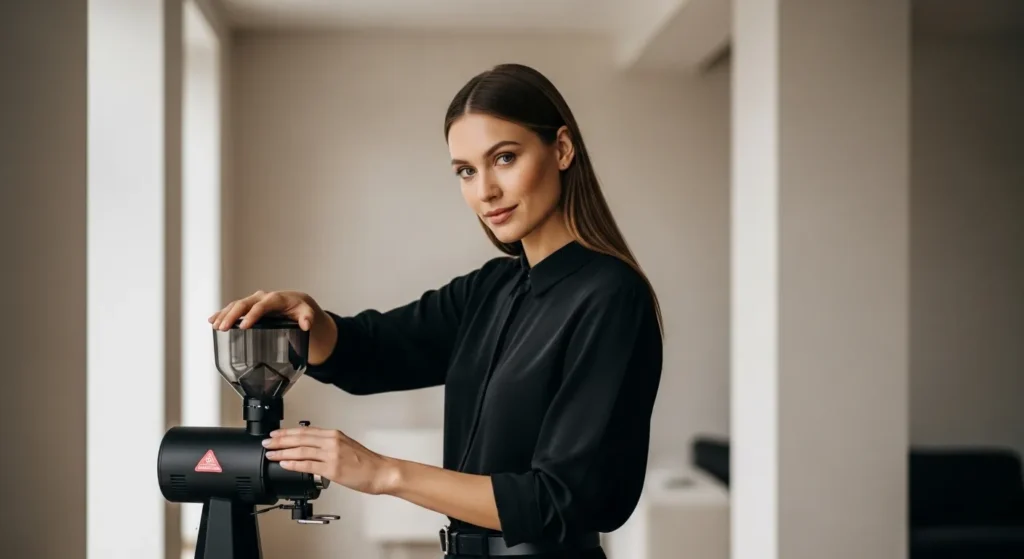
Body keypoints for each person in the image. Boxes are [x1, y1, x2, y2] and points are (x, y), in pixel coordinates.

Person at [209, 63, 664, 559]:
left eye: (505, 158)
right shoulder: (490, 289)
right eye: (466, 171)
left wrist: (384, 473)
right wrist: (310, 319)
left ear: (561, 149)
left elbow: (562, 498)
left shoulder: (611, 295)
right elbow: (372, 351)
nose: (485, 191)